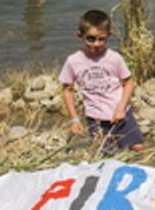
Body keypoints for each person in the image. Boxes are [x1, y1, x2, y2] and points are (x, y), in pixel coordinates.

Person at [59, 9, 145, 154]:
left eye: (101, 39)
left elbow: (128, 82)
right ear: (80, 36)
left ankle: (147, 172)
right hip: (95, 117)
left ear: (108, 36)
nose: (96, 44)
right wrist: (74, 119)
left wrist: (121, 108)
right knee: (105, 154)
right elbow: (67, 90)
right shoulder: (73, 61)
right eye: (90, 39)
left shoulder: (114, 58)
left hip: (120, 113)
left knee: (137, 147)